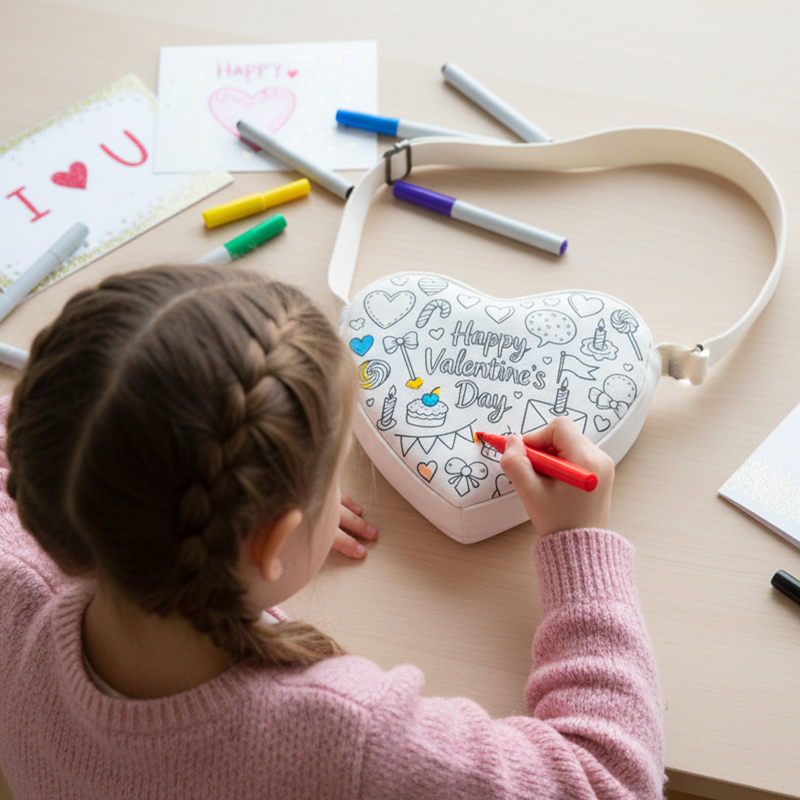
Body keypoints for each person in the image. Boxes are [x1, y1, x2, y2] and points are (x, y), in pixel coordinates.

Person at [0, 264, 665, 799]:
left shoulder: (14, 588)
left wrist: (249, 489)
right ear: (269, 543)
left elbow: (59, 421)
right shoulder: (345, 741)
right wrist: (579, 545)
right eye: (330, 474)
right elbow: (607, 783)